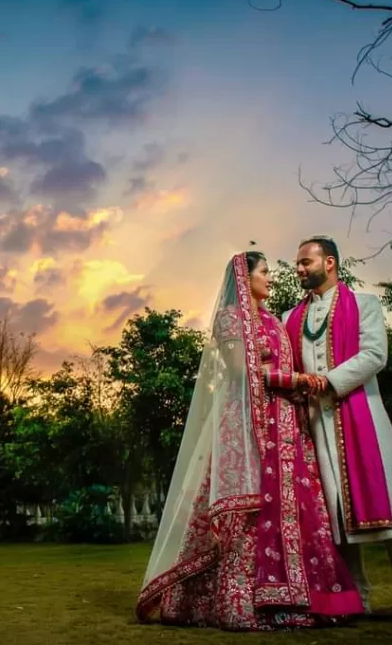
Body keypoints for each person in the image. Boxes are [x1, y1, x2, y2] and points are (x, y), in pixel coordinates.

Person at [135, 251, 363, 631]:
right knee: (249, 510)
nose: (270, 278)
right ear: (245, 277)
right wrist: (296, 381)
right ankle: (241, 601)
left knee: (294, 508)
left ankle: (301, 598)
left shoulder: (274, 320)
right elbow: (243, 371)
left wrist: (296, 392)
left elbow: (279, 366)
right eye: (264, 272)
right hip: (246, 424)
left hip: (286, 425)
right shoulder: (230, 319)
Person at [269, 236, 392, 625]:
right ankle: (357, 597)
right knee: (335, 518)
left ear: (329, 262)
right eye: (297, 263)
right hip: (315, 425)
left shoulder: (364, 304)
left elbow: (374, 355)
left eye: (305, 262)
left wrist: (327, 381)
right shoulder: (289, 318)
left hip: (362, 414)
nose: (298, 269)